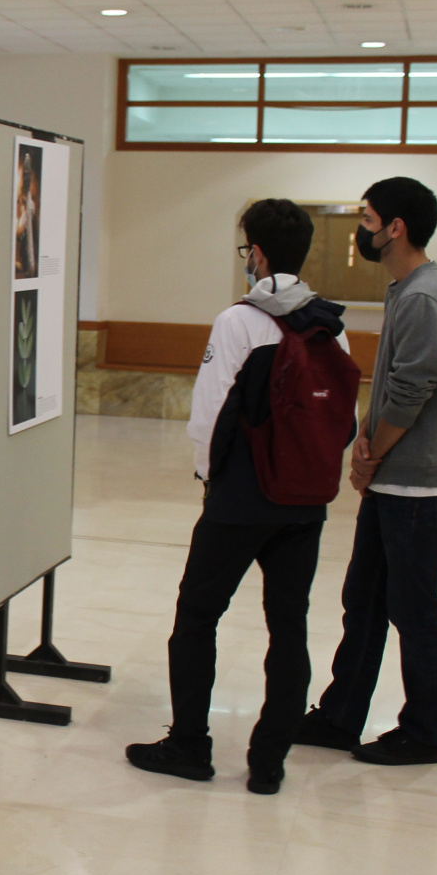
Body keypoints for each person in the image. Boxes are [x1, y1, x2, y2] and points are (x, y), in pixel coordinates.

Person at [126, 198, 355, 795]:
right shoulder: (330, 323)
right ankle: (269, 761)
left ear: (256, 252)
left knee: (198, 616)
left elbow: (208, 414)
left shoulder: (239, 321)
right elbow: (342, 418)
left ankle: (189, 746)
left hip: (242, 497)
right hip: (304, 499)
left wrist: (210, 479)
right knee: (289, 625)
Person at [295, 177, 437, 766]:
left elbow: (411, 389)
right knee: (365, 599)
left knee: (413, 608)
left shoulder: (425, 296)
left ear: (395, 227)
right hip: (399, 478)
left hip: (420, 485)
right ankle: (342, 716)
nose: (361, 229)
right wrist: (369, 445)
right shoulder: (410, 289)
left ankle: (424, 733)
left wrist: (370, 452)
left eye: (368, 218)